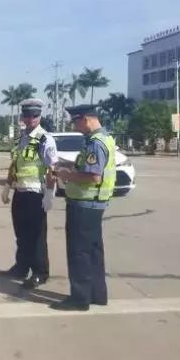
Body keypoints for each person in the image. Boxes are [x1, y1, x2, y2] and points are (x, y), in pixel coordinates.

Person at [51, 104, 116, 311]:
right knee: (94, 251)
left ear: (86, 119)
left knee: (79, 252)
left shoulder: (95, 143)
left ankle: (80, 298)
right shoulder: (103, 139)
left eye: (76, 122)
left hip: (84, 204)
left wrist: (67, 175)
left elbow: (93, 176)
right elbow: (88, 168)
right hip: (94, 204)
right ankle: (97, 294)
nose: (75, 127)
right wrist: (69, 167)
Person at [0, 98, 58, 289]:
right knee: (21, 234)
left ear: (39, 116)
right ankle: (22, 267)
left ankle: (40, 272)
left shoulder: (45, 139)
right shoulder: (21, 139)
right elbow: (15, 164)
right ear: (22, 117)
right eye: (27, 115)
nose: (31, 118)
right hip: (20, 192)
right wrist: (7, 186)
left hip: (36, 194)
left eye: (34, 115)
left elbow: (52, 168)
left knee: (37, 236)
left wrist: (49, 193)